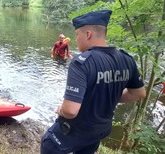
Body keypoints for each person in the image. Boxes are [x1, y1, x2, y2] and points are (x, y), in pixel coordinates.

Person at [41, 10, 146, 154]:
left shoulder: (82, 63)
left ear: (88, 34)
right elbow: (139, 93)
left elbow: (70, 111)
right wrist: (110, 96)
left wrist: (61, 109)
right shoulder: (126, 59)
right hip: (100, 130)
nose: (76, 40)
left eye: (77, 35)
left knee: (49, 144)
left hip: (75, 130)